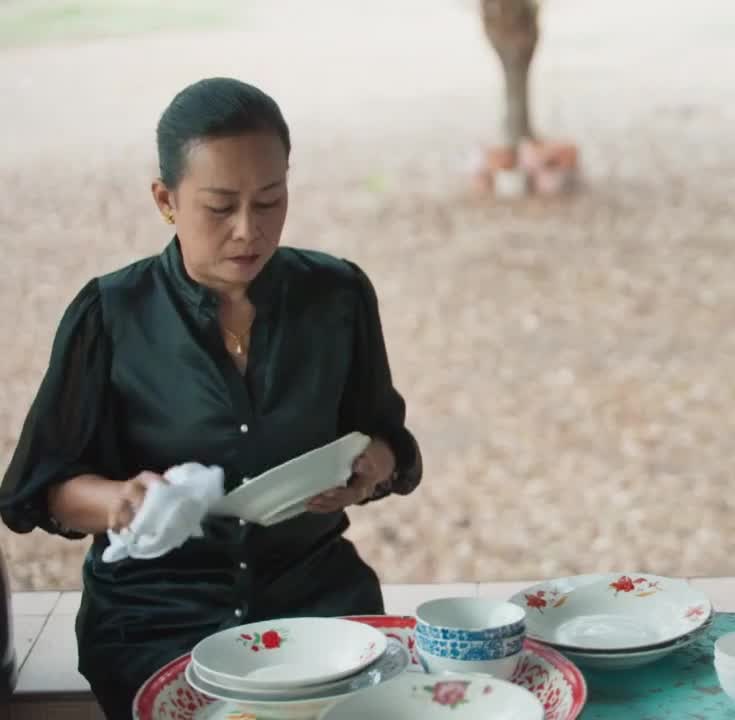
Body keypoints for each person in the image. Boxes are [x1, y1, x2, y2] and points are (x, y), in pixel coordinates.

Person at [0, 77, 423, 719]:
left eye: (270, 200)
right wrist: (121, 502)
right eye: (220, 207)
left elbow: (385, 436)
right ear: (165, 200)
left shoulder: (337, 296)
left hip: (314, 602)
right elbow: (40, 486)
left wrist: (370, 469)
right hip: (158, 616)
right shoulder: (112, 314)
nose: (248, 231)